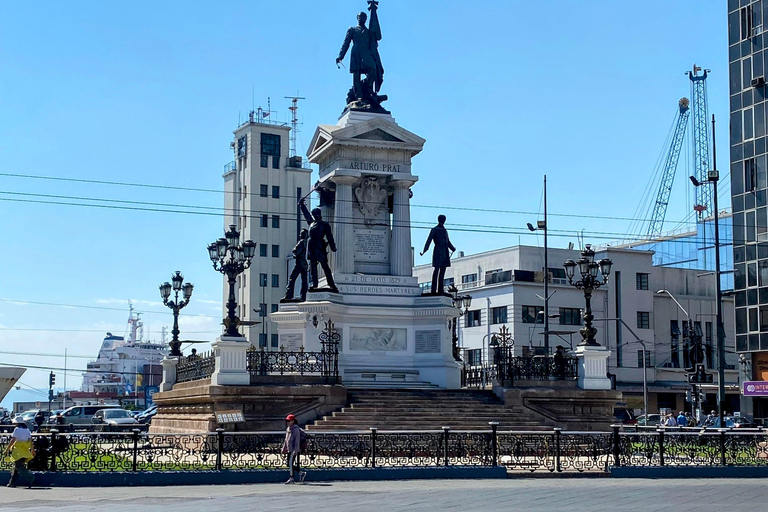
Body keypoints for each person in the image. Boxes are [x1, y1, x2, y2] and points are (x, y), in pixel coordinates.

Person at [336, 3, 384, 104]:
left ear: (366, 19)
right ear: (357, 18)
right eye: (360, 17)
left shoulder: (369, 32)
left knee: (373, 70)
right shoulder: (352, 29)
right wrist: (340, 56)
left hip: (367, 54)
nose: (361, 18)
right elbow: (346, 43)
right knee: (356, 74)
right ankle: (359, 96)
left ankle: (369, 90)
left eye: (363, 17)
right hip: (356, 53)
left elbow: (377, 37)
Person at [299, 199, 338, 293]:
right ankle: (314, 284)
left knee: (325, 266)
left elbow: (330, 236)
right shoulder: (312, 223)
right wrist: (302, 205)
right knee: (313, 267)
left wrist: (333, 247)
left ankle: (331, 284)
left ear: (319, 214)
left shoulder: (324, 225)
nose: (314, 215)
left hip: (320, 247)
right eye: (313, 214)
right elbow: (306, 215)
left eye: (315, 213)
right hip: (312, 248)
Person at [420, 215, 456, 295]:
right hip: (438, 251)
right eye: (443, 219)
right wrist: (424, 250)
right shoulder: (434, 229)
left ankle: (440, 290)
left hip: (445, 252)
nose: (443, 221)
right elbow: (428, 241)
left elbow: (447, 241)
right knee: (436, 270)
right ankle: (433, 290)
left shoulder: (444, 230)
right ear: (440, 220)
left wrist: (452, 248)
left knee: (442, 271)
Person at [5, 419, 35, 488]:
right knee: (17, 467)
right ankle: (12, 482)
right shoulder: (27, 430)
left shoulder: (17, 430)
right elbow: (30, 440)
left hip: (18, 451)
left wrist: (7, 449)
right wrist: (32, 450)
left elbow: (13, 440)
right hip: (25, 450)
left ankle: (30, 478)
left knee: (19, 467)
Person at [283, 229, 309, 302]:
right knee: (304, 280)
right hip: (304, 263)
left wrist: (295, 253)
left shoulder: (301, 242)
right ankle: (304, 295)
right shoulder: (307, 243)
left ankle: (289, 295)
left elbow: (295, 250)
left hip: (299, 263)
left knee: (292, 278)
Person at [282, 414, 306, 484]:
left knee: (290, 463)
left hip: (294, 450)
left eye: (289, 421)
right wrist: (284, 448)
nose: (287, 422)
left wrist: (296, 450)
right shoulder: (288, 429)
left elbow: (297, 441)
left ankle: (291, 478)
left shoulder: (296, 429)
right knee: (288, 464)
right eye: (287, 421)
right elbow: (286, 439)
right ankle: (301, 473)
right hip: (289, 449)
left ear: (293, 421)